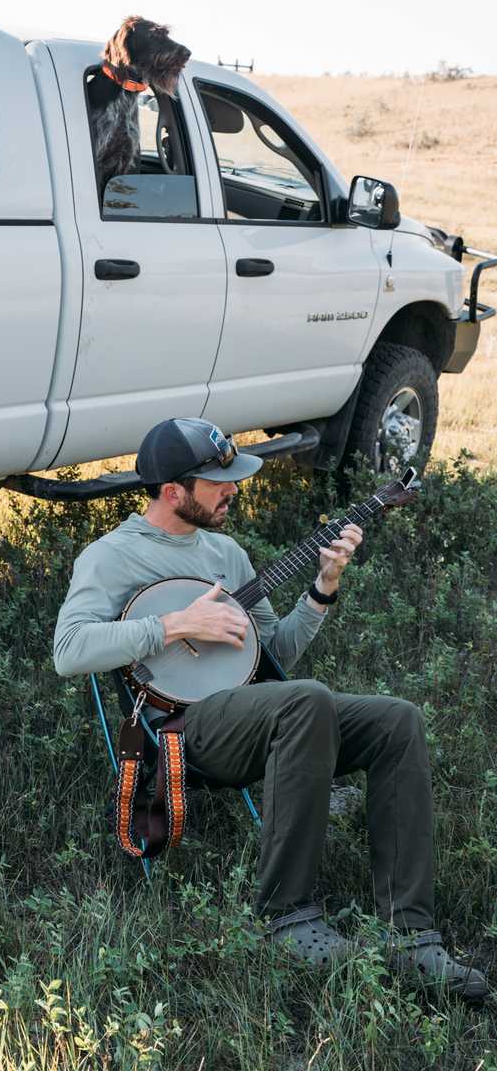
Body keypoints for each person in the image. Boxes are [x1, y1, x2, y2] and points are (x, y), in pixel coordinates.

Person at [54, 417, 488, 999]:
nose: (235, 488)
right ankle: (290, 918)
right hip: (183, 730)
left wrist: (322, 587)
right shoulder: (111, 558)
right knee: (305, 700)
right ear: (172, 491)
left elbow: (273, 651)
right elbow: (69, 650)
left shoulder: (226, 553)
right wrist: (177, 623)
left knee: (396, 718)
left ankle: (411, 934)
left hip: (258, 711)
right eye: (219, 481)